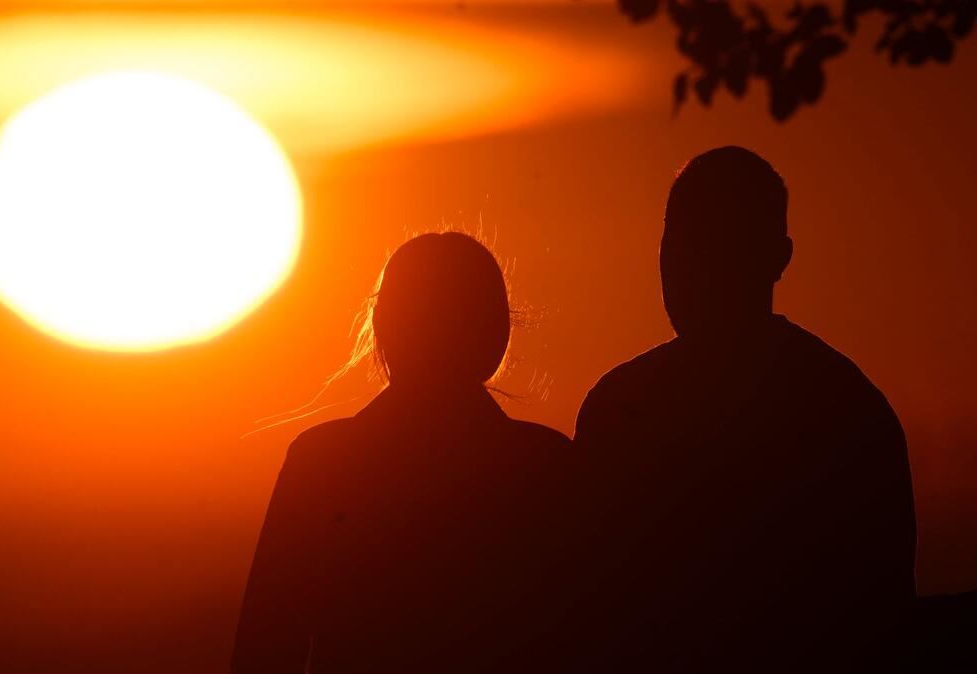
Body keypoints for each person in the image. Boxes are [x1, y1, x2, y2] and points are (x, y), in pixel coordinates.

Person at [574, 146, 917, 673]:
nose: (685, 262)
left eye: (713, 242)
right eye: (677, 238)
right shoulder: (850, 408)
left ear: (777, 258)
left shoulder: (621, 408)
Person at [232, 232, 584, 674]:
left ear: (384, 327)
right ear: (499, 332)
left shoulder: (322, 462)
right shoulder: (546, 464)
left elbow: (265, 644)